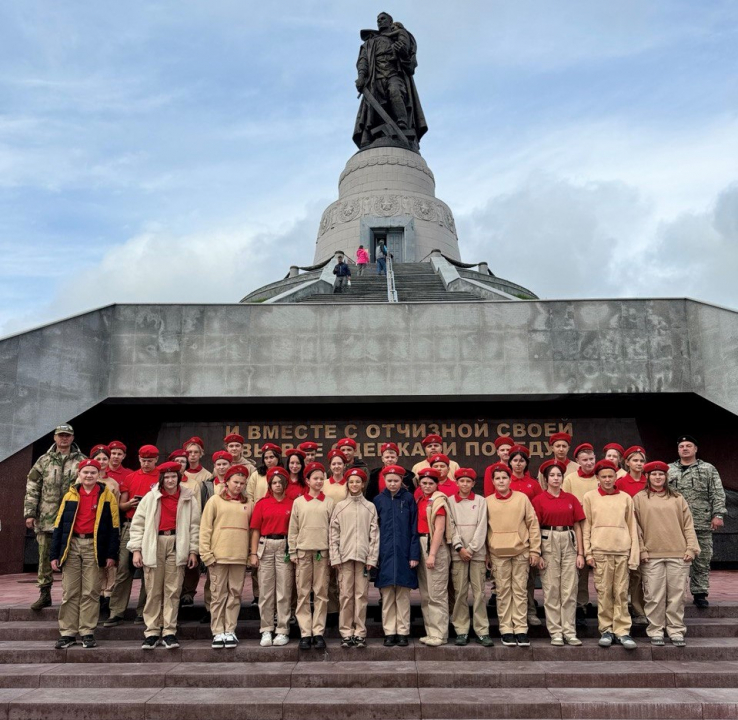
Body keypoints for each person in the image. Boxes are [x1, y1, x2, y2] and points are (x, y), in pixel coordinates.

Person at [128, 461, 200, 649]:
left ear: (178, 478)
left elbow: (194, 527)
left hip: (177, 543)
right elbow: (137, 525)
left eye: (173, 477)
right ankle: (151, 631)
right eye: (166, 477)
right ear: (161, 478)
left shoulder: (188, 497)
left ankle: (169, 631)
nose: (170, 480)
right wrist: (136, 550)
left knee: (173, 590)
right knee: (153, 590)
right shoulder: (150, 497)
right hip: (154, 543)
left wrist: (193, 551)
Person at [50, 459, 119, 649]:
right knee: (70, 591)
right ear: (79, 474)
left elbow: (114, 527)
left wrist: (111, 554)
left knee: (91, 591)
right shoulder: (70, 495)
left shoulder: (106, 496)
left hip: (93, 547)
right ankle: (68, 633)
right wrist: (54, 554)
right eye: (85, 472)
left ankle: (87, 631)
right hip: (72, 546)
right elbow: (59, 526)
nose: (89, 476)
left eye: (93, 472)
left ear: (98, 475)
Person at [635, 460, 700, 647]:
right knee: (654, 595)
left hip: (678, 554)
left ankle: (675, 629)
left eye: (661, 474)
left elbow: (688, 525)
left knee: (677, 595)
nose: (658, 477)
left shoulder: (677, 498)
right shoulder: (639, 498)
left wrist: (690, 548)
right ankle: (656, 630)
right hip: (651, 555)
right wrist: (641, 549)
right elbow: (635, 527)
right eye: (654, 474)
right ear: (647, 477)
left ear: (666, 477)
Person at [24, 423, 86, 611]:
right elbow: (33, 486)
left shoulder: (82, 461)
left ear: (72, 438)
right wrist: (29, 512)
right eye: (60, 435)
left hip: (73, 518)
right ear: (55, 438)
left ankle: (71, 595)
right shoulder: (44, 460)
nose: (64, 439)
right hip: (47, 518)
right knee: (44, 556)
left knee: (72, 557)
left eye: (67, 435)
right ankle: (45, 593)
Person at [582, 459, 640, 650]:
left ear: (616, 477)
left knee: (621, 592)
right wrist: (588, 552)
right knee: (604, 592)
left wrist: (633, 554)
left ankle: (623, 630)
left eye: (610, 476)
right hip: (600, 552)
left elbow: (632, 527)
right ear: (597, 478)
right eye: (603, 476)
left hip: (621, 551)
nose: (607, 480)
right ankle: (606, 629)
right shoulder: (590, 497)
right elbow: (586, 526)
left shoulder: (625, 498)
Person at [353, 12, 427, 150]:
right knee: (375, 107)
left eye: (383, 19)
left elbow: (410, 66)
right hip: (375, 78)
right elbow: (363, 60)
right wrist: (361, 76)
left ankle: (402, 124)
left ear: (390, 21)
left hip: (394, 74)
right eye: (378, 20)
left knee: (395, 92)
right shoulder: (370, 42)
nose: (379, 22)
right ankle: (375, 136)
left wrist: (403, 54)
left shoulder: (398, 37)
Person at [485, 462, 541, 647]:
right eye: (497, 478)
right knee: (502, 592)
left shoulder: (522, 498)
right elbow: (484, 530)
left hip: (520, 551)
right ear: (493, 481)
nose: (501, 481)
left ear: (510, 480)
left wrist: (535, 550)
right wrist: (486, 553)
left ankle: (521, 628)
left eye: (504, 478)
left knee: (520, 590)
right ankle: (506, 629)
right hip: (497, 553)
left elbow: (532, 524)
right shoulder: (487, 502)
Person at [104, 444, 160, 627]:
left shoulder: (161, 477)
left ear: (156, 460)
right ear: (138, 459)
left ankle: (143, 611)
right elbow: (122, 505)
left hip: (153, 527)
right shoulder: (130, 477)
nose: (146, 464)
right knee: (124, 571)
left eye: (150, 461)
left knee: (149, 571)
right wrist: (133, 503)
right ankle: (116, 611)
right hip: (130, 525)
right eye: (143, 460)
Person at [668, 435, 726, 608]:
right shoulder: (668, 469)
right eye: (681, 446)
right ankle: (676, 593)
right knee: (676, 559)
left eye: (688, 445)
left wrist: (719, 515)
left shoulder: (708, 469)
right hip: (675, 523)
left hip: (701, 521)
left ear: (695, 449)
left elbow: (717, 492)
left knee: (702, 558)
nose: (685, 448)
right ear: (678, 450)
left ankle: (700, 593)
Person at [532, 459, 586, 646]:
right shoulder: (539, 500)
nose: (556, 478)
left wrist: (580, 553)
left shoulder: (571, 499)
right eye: (552, 475)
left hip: (568, 539)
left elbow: (578, 526)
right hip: (548, 539)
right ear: (546, 479)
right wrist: (537, 552)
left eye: (559, 475)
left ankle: (569, 631)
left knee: (569, 588)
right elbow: (534, 528)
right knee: (551, 588)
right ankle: (555, 631)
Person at [199, 464, 253, 649]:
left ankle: (230, 630)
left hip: (238, 557)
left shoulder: (248, 503)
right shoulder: (214, 501)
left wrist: (249, 555)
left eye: (242, 483)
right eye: (235, 482)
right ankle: (217, 631)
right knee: (218, 595)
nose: (238, 486)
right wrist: (206, 554)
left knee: (235, 594)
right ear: (227, 482)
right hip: (218, 557)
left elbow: (252, 531)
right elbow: (205, 529)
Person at [329, 468, 379, 648]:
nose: (355, 485)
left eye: (358, 481)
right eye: (351, 482)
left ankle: (360, 632)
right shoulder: (340, 507)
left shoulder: (370, 507)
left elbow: (375, 534)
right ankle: (346, 631)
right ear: (347, 484)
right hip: (344, 558)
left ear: (363, 484)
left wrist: (371, 558)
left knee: (361, 596)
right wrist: (335, 557)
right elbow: (333, 533)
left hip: (363, 559)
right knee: (345, 595)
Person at [289, 462, 335, 649]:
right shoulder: (299, 502)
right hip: (303, 552)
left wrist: (333, 552)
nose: (318, 481)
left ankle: (318, 631)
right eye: (314, 478)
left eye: (321, 478)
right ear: (307, 480)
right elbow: (293, 528)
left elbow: (333, 530)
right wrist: (292, 550)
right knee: (302, 593)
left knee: (321, 593)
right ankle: (305, 632)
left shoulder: (329, 502)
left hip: (322, 552)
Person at [373, 464, 420, 646]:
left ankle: (402, 631)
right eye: (389, 481)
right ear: (384, 481)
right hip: (385, 554)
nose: (393, 484)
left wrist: (414, 554)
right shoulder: (378, 500)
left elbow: (414, 528)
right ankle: (389, 631)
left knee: (402, 596)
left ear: (402, 481)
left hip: (403, 553)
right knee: (387, 597)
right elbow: (373, 530)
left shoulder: (408, 499)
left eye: (396, 480)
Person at [447, 468, 493, 647]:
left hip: (477, 554)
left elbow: (482, 527)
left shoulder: (481, 501)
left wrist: (472, 549)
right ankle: (461, 629)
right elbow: (451, 526)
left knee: (480, 593)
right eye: (461, 481)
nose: (465, 484)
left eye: (468, 481)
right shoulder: (450, 502)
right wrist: (459, 547)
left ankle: (482, 631)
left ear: (473, 483)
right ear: (456, 483)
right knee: (460, 593)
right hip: (458, 554)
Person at [250, 466, 294, 647]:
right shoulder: (262, 503)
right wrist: (253, 554)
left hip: (284, 545)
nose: (277, 485)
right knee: (266, 590)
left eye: (280, 483)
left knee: (284, 590)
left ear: (285, 484)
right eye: (273, 483)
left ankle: (282, 629)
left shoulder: (292, 503)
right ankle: (266, 629)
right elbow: (255, 530)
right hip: (265, 545)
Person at [506, 444, 543, 628]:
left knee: (527, 578)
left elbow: (537, 512)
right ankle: (510, 615)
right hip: (506, 536)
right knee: (506, 580)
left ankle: (530, 611)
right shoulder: (505, 481)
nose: (518, 464)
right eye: (515, 461)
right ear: (509, 462)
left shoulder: (533, 484)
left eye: (521, 461)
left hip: (526, 537)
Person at [562, 442, 598, 625]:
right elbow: (566, 501)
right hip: (578, 527)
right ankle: (579, 604)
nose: (589, 462)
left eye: (592, 459)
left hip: (598, 527)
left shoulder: (601, 476)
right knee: (579, 568)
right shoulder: (570, 479)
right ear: (577, 461)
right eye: (585, 459)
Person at [415, 468, 452, 647]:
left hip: (434, 546)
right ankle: (430, 631)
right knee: (426, 593)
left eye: (431, 483)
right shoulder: (420, 499)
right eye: (424, 483)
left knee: (437, 593)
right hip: (421, 543)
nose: (427, 486)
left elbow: (439, 529)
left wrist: (432, 554)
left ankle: (439, 634)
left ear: (437, 484)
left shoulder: (438, 501)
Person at [247, 443, 283, 607]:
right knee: (257, 559)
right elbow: (250, 496)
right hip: (260, 518)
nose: (269, 460)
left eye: (272, 457)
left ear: (278, 458)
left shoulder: (284, 474)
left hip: (279, 520)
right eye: (266, 458)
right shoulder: (257, 475)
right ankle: (257, 593)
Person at [616, 445, 648, 625]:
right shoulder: (620, 483)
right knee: (629, 573)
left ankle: (640, 609)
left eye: (641, 460)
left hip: (647, 530)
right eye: (635, 460)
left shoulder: (649, 481)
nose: (638, 464)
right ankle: (626, 607)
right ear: (626, 462)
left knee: (642, 574)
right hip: (627, 530)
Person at [90, 444, 119, 613]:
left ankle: (108, 595)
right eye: (98, 458)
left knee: (110, 563)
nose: (101, 462)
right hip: (90, 528)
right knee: (96, 563)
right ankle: (98, 594)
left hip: (107, 527)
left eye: (104, 459)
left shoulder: (112, 483)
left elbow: (115, 509)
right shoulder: (82, 479)